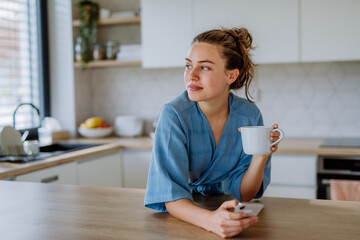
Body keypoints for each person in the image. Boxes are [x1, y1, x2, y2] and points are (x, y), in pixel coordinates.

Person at [144, 27, 281, 238]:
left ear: (231, 75)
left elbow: (245, 194)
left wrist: (260, 156)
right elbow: (170, 195)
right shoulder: (174, 115)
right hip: (186, 215)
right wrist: (210, 221)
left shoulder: (249, 115)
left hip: (228, 210)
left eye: (205, 68)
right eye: (188, 65)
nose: (191, 75)